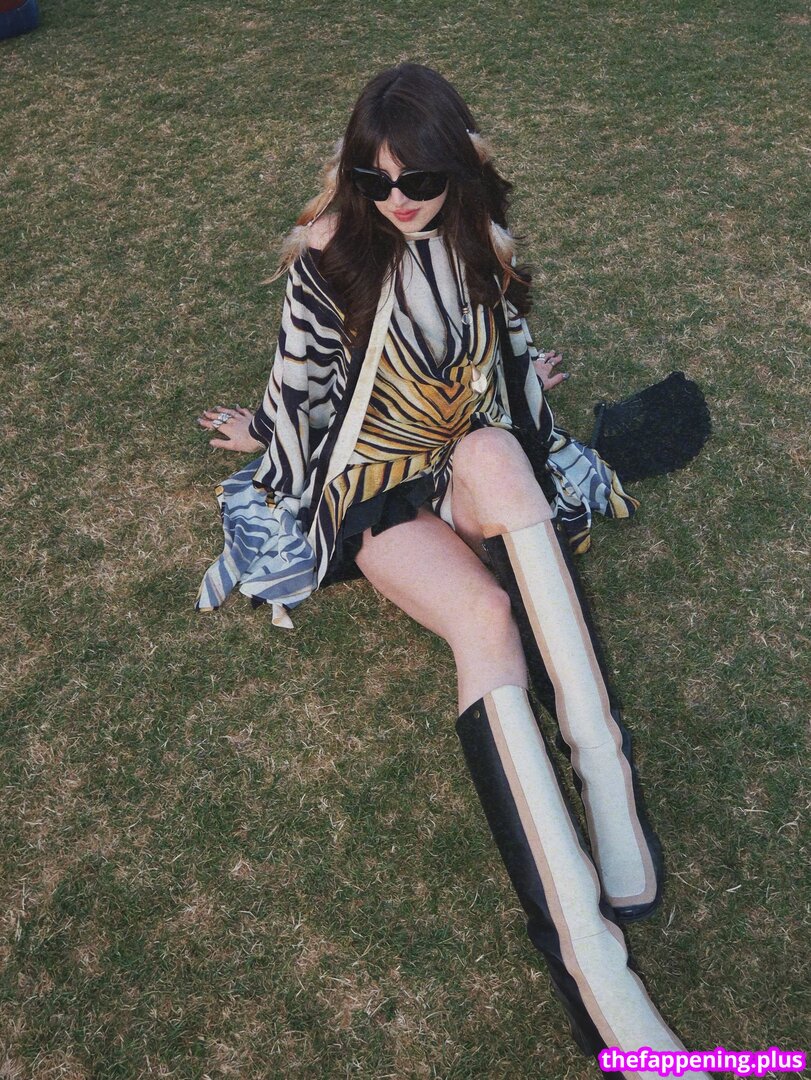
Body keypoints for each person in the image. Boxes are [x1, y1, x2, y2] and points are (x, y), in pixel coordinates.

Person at [196, 64, 710, 1080]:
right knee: (483, 618)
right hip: (374, 489)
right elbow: (300, 395)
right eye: (373, 177)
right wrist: (266, 447)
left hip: (460, 460)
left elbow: (505, 349)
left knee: (502, 453)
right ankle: (592, 968)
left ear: (455, 168)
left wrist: (525, 389)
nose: (396, 198)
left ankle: (609, 789)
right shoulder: (332, 253)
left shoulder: (479, 237)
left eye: (418, 178)